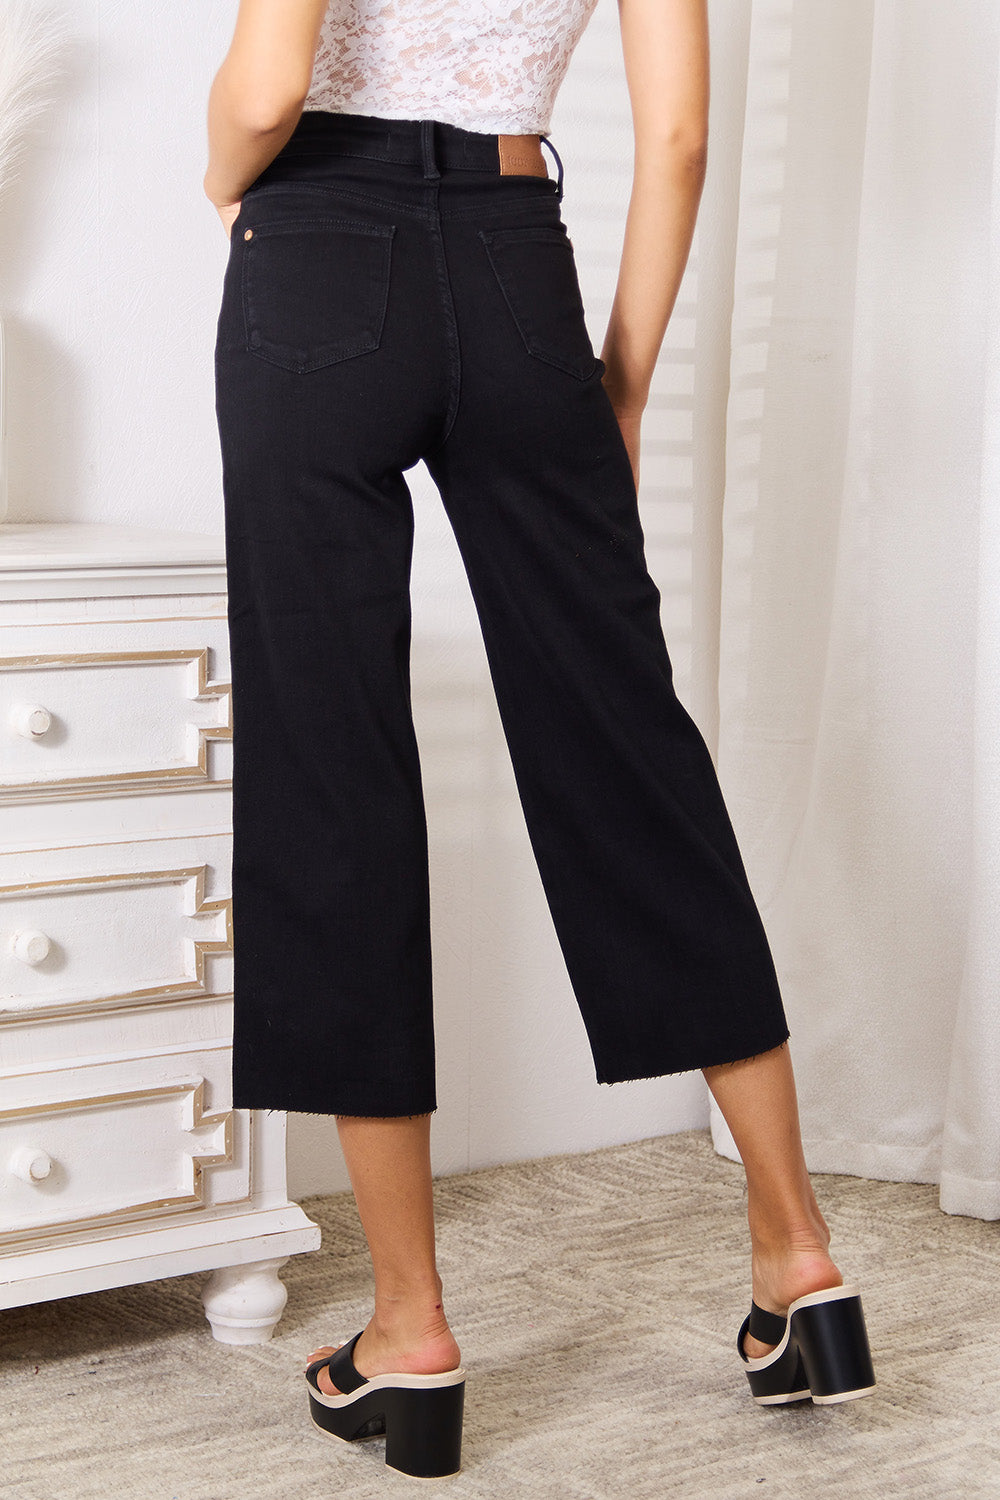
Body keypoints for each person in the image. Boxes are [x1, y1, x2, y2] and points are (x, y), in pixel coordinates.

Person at [204, 0, 875, 1479]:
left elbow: (265, 88)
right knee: (629, 752)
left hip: (314, 253)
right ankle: (800, 1251)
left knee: (336, 777)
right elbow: (683, 137)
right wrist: (619, 383)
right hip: (518, 259)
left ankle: (409, 1329)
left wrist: (221, 170)